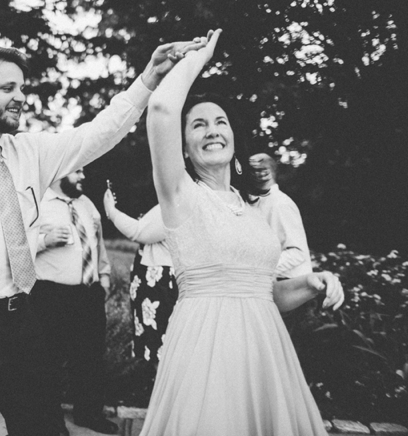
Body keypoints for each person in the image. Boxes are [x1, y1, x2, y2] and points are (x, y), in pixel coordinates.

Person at [0, 38, 208, 436]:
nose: (20, 98)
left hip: (24, 320)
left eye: (22, 89)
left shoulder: (32, 151)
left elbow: (99, 133)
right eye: (8, 88)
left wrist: (150, 77)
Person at [140, 29, 345, 435]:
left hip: (265, 354)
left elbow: (267, 293)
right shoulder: (180, 195)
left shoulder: (253, 209)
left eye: (221, 122)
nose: (212, 130)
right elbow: (162, 108)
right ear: (183, 148)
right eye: (198, 125)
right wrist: (198, 58)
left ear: (234, 139)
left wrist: (311, 282)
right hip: (205, 353)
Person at [32, 168, 117, 435]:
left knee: (90, 357)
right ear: (59, 171)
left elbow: (98, 242)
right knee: (49, 361)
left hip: (88, 294)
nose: (83, 176)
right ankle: (49, 422)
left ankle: (88, 414)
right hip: (51, 295)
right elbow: (15, 244)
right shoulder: (37, 203)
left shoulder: (86, 203)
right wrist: (44, 240)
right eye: (77, 171)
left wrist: (103, 276)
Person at [102, 191, 178, 367]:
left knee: (162, 348)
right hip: (159, 284)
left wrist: (111, 211)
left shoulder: (174, 205)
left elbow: (138, 232)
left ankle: (165, 389)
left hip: (160, 287)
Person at [248, 152, 312, 278]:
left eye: (260, 170)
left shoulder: (280, 203)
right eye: (251, 171)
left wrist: (259, 272)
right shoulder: (257, 202)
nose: (255, 174)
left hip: (290, 284)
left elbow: (297, 253)